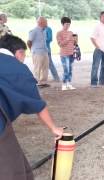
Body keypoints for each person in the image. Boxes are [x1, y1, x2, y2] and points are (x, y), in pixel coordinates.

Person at [0, 34, 63, 180]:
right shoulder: (15, 66)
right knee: (12, 169)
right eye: (24, 55)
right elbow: (38, 104)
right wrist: (54, 128)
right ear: (19, 52)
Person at [90, 11, 104, 87]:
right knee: (95, 66)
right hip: (99, 50)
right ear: (100, 17)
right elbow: (92, 38)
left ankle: (102, 81)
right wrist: (97, 47)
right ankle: (93, 83)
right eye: (103, 16)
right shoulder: (97, 26)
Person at [27, 17, 50, 88]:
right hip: (37, 52)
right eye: (46, 22)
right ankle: (36, 83)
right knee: (37, 68)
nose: (47, 23)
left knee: (45, 67)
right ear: (41, 23)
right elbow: (29, 42)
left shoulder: (44, 31)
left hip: (44, 51)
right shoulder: (34, 31)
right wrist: (32, 49)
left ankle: (43, 82)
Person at [56, 17, 76, 91]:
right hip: (64, 54)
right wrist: (67, 39)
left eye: (69, 24)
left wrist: (75, 40)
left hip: (71, 53)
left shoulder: (71, 32)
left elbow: (73, 43)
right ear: (62, 24)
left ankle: (69, 84)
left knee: (70, 69)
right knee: (66, 69)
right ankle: (64, 84)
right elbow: (60, 44)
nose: (68, 26)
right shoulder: (59, 33)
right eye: (66, 24)